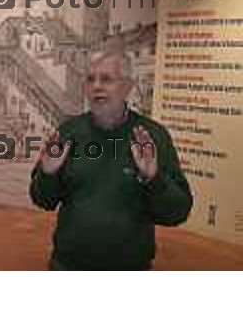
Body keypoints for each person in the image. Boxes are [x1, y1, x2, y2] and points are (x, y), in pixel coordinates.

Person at [30, 50, 193, 271]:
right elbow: (43, 200)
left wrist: (154, 179)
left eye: (106, 79)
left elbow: (176, 213)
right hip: (68, 265)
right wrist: (47, 174)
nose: (96, 86)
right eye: (90, 79)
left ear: (127, 87)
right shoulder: (68, 133)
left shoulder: (151, 137)